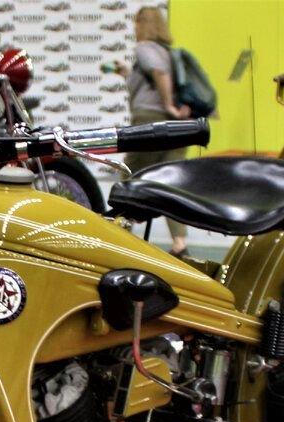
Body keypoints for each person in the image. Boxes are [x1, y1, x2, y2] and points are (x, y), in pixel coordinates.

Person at [112, 6, 191, 257]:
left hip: (151, 120)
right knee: (170, 183)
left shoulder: (145, 48)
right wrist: (128, 73)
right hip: (177, 125)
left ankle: (119, 233)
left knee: (128, 174)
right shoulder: (167, 51)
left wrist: (167, 105)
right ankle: (180, 243)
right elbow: (154, 79)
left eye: (136, 23)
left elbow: (159, 73)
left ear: (142, 24)